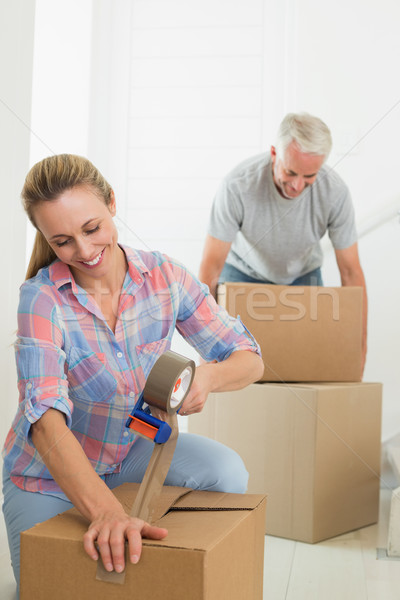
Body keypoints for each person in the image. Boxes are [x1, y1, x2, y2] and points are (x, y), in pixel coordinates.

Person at [2, 154, 264, 596]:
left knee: (227, 472)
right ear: (46, 239)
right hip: (47, 477)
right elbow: (46, 424)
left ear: (112, 203)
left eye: (92, 228)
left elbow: (249, 358)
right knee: (47, 584)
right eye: (62, 241)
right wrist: (107, 513)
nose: (84, 252)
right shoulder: (42, 299)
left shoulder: (164, 276)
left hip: (130, 454)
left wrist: (207, 378)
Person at [199, 112, 367, 372]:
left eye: (309, 176)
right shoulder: (238, 185)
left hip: (303, 274)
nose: (298, 186)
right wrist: (205, 343)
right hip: (242, 272)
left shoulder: (336, 192)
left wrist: (360, 345)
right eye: (290, 172)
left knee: (308, 365)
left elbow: (351, 272)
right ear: (274, 153)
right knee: (233, 364)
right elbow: (210, 268)